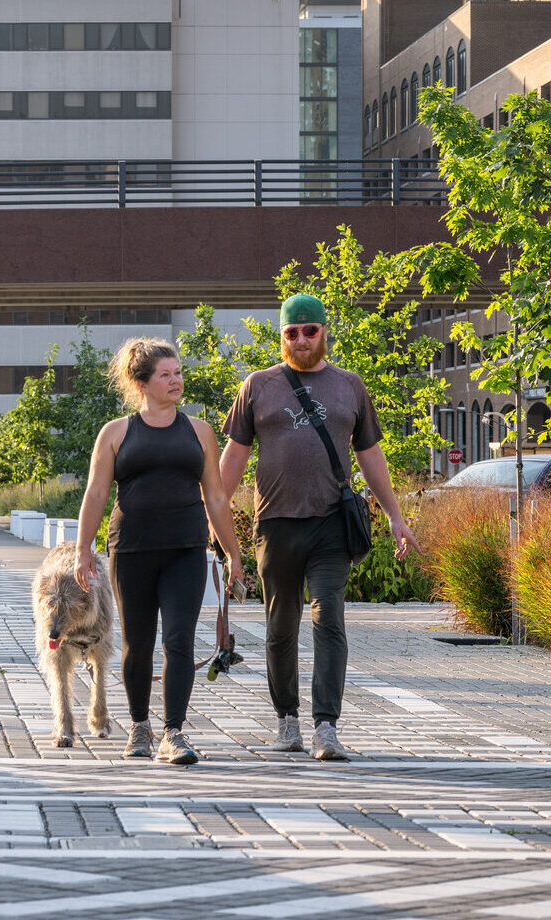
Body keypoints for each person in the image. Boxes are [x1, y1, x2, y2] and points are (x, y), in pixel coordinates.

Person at [219, 294, 418, 761]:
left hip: (332, 522)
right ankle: (286, 719)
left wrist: (395, 515)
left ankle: (326, 727)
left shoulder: (350, 386)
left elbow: (370, 457)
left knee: (328, 616)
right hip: (276, 525)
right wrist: (212, 514)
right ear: (281, 336)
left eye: (311, 330)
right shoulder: (257, 386)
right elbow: (232, 459)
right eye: (293, 332)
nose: (302, 339)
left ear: (325, 331)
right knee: (280, 626)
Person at [75, 337, 246, 765]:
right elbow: (96, 494)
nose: (176, 381)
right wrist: (82, 550)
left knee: (179, 641)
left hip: (186, 550)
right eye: (165, 375)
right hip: (131, 550)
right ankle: (138, 726)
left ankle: (174, 733)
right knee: (137, 642)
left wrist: (233, 554)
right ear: (142, 383)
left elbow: (218, 499)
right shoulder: (115, 433)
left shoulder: (200, 431)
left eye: (178, 372)